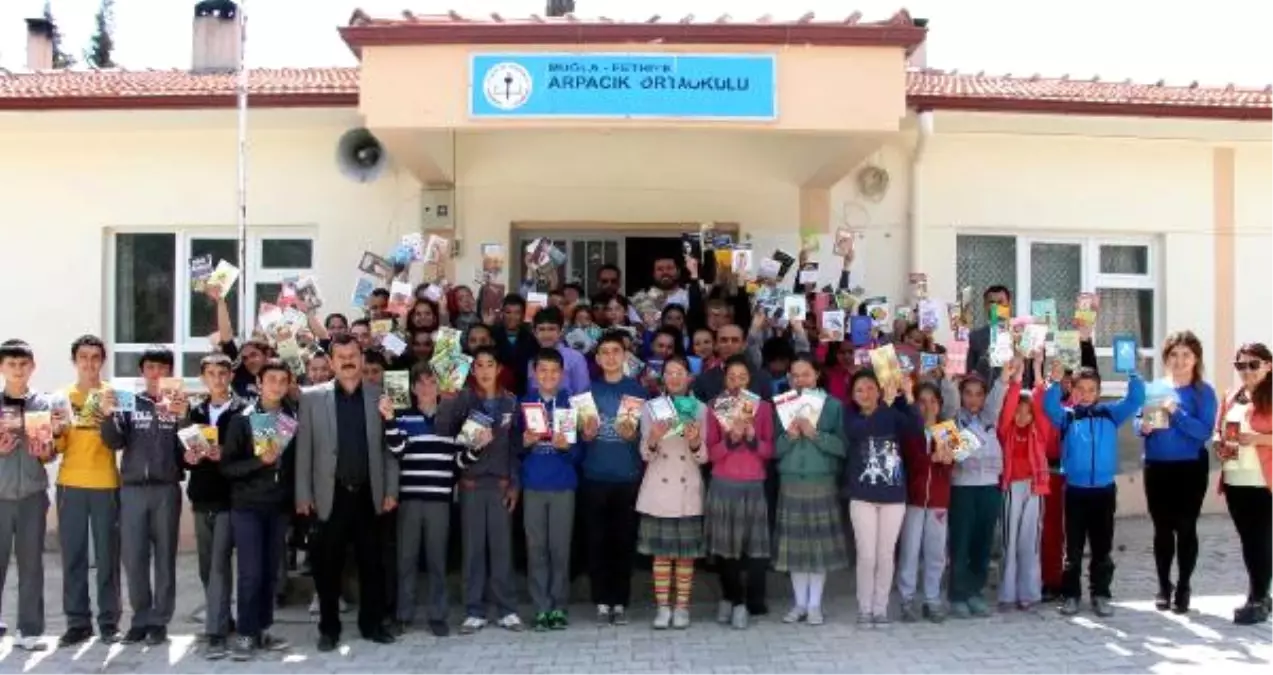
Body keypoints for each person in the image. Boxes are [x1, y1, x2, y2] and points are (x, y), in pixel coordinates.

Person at [295, 333, 399, 651]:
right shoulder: (311, 398)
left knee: (372, 564)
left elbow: (389, 448)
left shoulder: (379, 395)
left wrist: (391, 489)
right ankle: (329, 628)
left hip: (370, 494)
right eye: (341, 356)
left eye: (353, 354)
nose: (348, 361)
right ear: (331, 362)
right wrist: (303, 494)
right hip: (331, 495)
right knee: (328, 567)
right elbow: (304, 451)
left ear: (361, 356)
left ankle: (372, 624)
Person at [1042, 358, 1144, 617]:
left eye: (1091, 390)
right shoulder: (1067, 417)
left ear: (1099, 392)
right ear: (1072, 391)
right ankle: (1071, 595)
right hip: (1075, 491)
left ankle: (1100, 594)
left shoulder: (1110, 413)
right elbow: (1048, 405)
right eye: (1080, 390)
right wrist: (1055, 382)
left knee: (1102, 547)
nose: (1086, 395)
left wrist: (1133, 372)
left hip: (1103, 491)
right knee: (1073, 549)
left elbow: (1134, 400)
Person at [99, 346, 187, 646]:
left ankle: (160, 621)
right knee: (134, 558)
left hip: (166, 488)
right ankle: (140, 619)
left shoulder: (180, 404)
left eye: (163, 368)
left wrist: (183, 418)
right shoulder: (128, 402)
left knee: (165, 559)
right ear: (142, 371)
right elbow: (113, 441)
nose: (157, 373)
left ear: (170, 372)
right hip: (133, 489)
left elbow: (190, 452)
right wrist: (108, 415)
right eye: (151, 367)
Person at [436, 346, 525, 635]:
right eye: (480, 366)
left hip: (499, 485)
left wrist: (514, 483)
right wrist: (447, 401)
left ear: (499, 369)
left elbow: (514, 448)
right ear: (472, 371)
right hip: (472, 485)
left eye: (490, 364)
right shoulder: (463, 398)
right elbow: (443, 432)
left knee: (502, 549)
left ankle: (506, 609)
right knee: (473, 549)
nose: (485, 370)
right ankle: (474, 609)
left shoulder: (511, 403)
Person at [220, 359, 297, 659]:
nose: (276, 385)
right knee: (250, 572)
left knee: (269, 572)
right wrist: (259, 463)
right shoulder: (243, 419)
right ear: (259, 383)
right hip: (248, 506)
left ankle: (263, 629)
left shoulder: (293, 418)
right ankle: (245, 633)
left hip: (278, 507)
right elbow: (227, 467)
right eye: (271, 380)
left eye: (282, 380)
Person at [1136, 331, 1217, 615]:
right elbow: (1139, 421)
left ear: (1196, 359)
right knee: (1162, 528)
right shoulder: (1154, 388)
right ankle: (1163, 586)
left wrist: (1177, 413)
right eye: (1174, 355)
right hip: (1157, 466)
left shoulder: (1203, 392)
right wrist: (1141, 427)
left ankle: (1183, 586)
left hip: (1190, 468)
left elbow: (1203, 432)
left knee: (1185, 527)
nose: (1180, 361)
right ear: (1166, 358)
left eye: (1186, 355)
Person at [53, 335, 122, 647]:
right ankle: (77, 622)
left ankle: (109, 622)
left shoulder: (113, 395)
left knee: (108, 557)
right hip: (70, 484)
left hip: (106, 482)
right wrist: (55, 432)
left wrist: (110, 417)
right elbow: (57, 447)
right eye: (84, 357)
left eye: (96, 357)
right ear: (75, 361)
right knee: (74, 557)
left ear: (102, 361)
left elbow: (119, 441)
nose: (90, 363)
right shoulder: (61, 397)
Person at [385, 363, 462, 638]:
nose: (427, 388)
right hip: (410, 498)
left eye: (432, 382)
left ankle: (438, 615)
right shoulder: (403, 417)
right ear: (413, 388)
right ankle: (403, 615)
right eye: (422, 383)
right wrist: (390, 420)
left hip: (439, 499)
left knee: (437, 560)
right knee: (406, 558)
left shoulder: (450, 418)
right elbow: (397, 449)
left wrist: (476, 448)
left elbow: (459, 460)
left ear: (440, 386)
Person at [773, 356, 848, 626]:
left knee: (818, 549)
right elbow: (773, 450)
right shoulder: (781, 405)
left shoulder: (833, 406)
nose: (800, 380)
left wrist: (815, 434)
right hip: (791, 480)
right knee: (796, 549)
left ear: (817, 375)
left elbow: (843, 447)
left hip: (821, 480)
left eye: (805, 374)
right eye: (794, 375)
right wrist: (789, 437)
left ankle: (815, 605)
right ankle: (799, 603)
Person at [635, 356, 708, 630]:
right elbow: (644, 453)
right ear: (662, 377)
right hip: (658, 486)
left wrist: (695, 441)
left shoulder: (700, 409)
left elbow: (704, 456)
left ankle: (682, 608)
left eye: (680, 372)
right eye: (669, 373)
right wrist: (653, 437)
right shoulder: (650, 408)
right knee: (661, 555)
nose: (675, 377)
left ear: (690, 377)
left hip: (687, 484)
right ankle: (663, 607)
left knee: (686, 555)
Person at [843, 369, 920, 626]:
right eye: (859, 389)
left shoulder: (892, 413)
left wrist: (908, 395)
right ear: (852, 396)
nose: (865, 393)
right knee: (867, 555)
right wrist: (886, 404)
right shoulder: (850, 417)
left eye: (870, 387)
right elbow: (865, 429)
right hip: (862, 495)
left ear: (880, 389)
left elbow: (916, 429)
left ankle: (880, 608)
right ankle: (864, 608)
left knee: (886, 555)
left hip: (893, 495)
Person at [581, 332, 648, 626]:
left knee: (623, 541)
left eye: (615, 352)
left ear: (624, 356)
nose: (610, 357)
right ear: (597, 359)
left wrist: (634, 437)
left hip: (627, 477)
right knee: (596, 542)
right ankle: (601, 601)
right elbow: (578, 437)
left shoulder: (637, 391)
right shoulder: (588, 392)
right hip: (594, 475)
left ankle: (620, 601)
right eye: (604, 352)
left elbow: (647, 439)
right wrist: (585, 435)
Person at [704, 356, 775, 630]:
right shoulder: (715, 407)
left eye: (742, 377)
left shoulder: (764, 409)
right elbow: (710, 453)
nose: (736, 383)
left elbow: (770, 451)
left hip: (754, 483)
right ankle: (733, 600)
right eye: (731, 377)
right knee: (725, 548)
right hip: (723, 482)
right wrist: (730, 441)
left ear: (750, 380)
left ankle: (747, 599)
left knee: (753, 550)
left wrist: (752, 438)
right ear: (724, 380)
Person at [184, 354, 247, 660]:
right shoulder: (194, 410)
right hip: (201, 496)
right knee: (207, 567)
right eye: (211, 373)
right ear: (203, 377)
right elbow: (179, 451)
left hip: (230, 497)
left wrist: (228, 454)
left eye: (223, 373)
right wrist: (188, 458)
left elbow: (258, 454)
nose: (218, 379)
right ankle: (222, 616)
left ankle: (216, 633)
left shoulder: (244, 410)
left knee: (220, 564)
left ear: (230, 376)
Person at [0, 339, 60, 651]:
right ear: (1, 368)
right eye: (11, 364)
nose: (18, 371)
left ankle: (30, 630)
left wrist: (46, 450)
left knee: (31, 565)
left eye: (23, 365)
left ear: (32, 367)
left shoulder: (44, 404)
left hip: (33, 495)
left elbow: (50, 454)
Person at [519, 349, 583, 631]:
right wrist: (524, 442)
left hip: (563, 485)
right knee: (536, 549)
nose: (548, 376)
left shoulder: (572, 405)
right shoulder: (525, 404)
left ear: (563, 374)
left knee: (560, 549)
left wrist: (568, 447)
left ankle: (559, 606)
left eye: (554, 371)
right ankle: (541, 607)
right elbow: (513, 452)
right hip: (533, 484)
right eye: (542, 370)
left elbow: (581, 454)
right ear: (534, 374)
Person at [941, 362, 1011, 619]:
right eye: (968, 393)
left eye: (978, 394)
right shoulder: (952, 419)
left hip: (989, 488)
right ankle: (958, 595)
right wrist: (948, 379)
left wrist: (1005, 376)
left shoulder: (989, 419)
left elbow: (997, 396)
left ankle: (975, 592)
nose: (973, 399)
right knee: (961, 543)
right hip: (962, 489)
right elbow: (948, 401)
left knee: (982, 544)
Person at [1215, 343, 1273, 625]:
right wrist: (1219, 443)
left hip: (1265, 481)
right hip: (1236, 479)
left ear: (1268, 365)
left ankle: (1258, 598)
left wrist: (1259, 439)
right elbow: (1219, 430)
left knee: (1258, 542)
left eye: (1253, 364)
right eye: (1241, 366)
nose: (1246, 371)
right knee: (1251, 541)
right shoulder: (1231, 395)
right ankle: (1262, 594)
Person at [996, 355, 1051, 611]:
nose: (1021, 416)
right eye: (1018, 411)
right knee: (1010, 540)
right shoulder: (1006, 431)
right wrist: (1017, 380)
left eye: (1026, 412)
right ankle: (1007, 594)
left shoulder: (1038, 432)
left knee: (1030, 541)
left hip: (1034, 487)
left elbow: (1041, 403)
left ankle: (1028, 593)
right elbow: (1006, 411)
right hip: (1011, 489)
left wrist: (1037, 367)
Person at [897, 382, 954, 623]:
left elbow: (953, 466)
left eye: (933, 401)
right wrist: (931, 456)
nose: (928, 406)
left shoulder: (948, 429)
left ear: (940, 404)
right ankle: (907, 599)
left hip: (939, 501)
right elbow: (912, 462)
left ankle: (932, 599)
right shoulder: (910, 431)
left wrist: (947, 457)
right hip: (914, 500)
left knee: (936, 552)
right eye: (922, 401)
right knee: (910, 550)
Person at [521, 307, 591, 398]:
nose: (546, 335)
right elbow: (531, 394)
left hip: (570, 410)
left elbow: (583, 395)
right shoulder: (532, 359)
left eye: (551, 329)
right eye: (542, 329)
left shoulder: (575, 358)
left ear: (561, 331)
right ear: (534, 332)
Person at [964, 285, 1012, 383]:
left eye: (1000, 302)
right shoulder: (975, 337)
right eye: (992, 302)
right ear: (985, 306)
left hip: (1016, 393)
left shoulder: (1020, 334)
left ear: (1009, 304)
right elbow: (969, 372)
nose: (996, 307)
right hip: (988, 393)